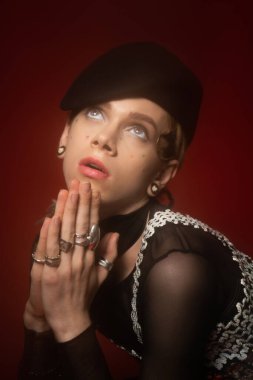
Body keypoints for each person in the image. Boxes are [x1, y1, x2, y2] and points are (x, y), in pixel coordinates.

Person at [19, 42, 253, 380]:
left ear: (161, 175)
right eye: (96, 112)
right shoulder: (57, 243)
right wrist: (38, 320)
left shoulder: (178, 268)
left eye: (137, 130)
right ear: (65, 134)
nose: (104, 139)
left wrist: (71, 322)